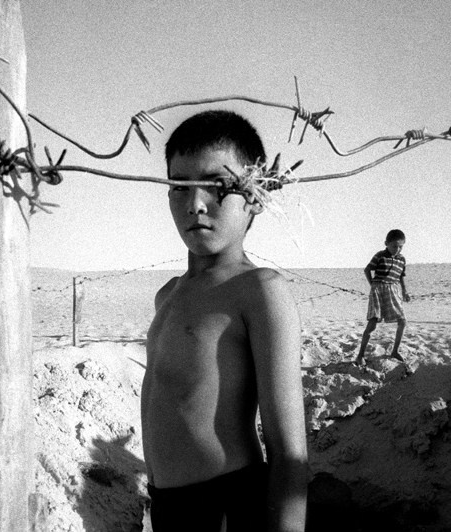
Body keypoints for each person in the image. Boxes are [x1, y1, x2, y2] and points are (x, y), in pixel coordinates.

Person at [141, 110, 308, 532]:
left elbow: (289, 453)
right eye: (179, 186)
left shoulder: (259, 289)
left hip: (227, 504)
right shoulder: (168, 295)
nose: (195, 203)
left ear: (255, 195)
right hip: (166, 506)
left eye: (218, 185)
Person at [354, 229, 411, 365]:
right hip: (378, 289)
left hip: (393, 290)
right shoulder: (380, 256)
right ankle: (360, 355)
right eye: (394, 246)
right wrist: (373, 285)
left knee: (402, 321)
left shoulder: (401, 259)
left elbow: (401, 277)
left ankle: (395, 351)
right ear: (386, 244)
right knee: (372, 323)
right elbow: (367, 270)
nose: (397, 249)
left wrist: (404, 292)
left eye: (400, 246)